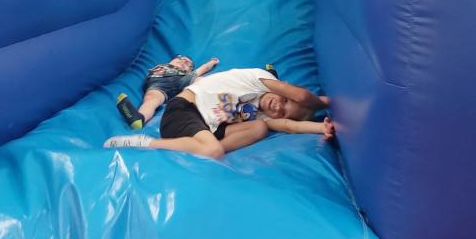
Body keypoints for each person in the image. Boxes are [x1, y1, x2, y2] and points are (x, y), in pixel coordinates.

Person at [105, 68, 333, 159]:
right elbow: (302, 96)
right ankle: (146, 143)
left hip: (205, 127)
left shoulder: (260, 114)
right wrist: (325, 101)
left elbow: (290, 126)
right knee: (212, 150)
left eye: (282, 112)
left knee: (259, 128)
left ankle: (202, 148)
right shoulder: (259, 78)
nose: (277, 106)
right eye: (284, 100)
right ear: (284, 88)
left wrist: (322, 127)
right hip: (183, 110)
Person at [116, 54, 220, 130]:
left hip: (180, 78)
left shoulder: (187, 73)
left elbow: (202, 69)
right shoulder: (161, 66)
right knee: (151, 99)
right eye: (180, 59)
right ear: (171, 60)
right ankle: (139, 118)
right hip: (158, 84)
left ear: (189, 70)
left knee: (199, 80)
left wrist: (211, 62)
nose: (183, 62)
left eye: (188, 64)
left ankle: (215, 95)